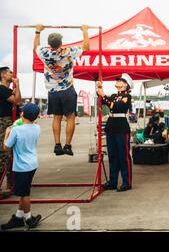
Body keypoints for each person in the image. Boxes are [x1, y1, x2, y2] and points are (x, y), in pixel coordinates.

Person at [34, 24, 90, 156]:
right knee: (70, 117)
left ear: (49, 44)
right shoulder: (67, 51)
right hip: (67, 89)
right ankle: (68, 145)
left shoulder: (44, 52)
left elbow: (35, 46)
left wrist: (37, 31)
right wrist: (85, 31)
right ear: (61, 43)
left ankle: (57, 145)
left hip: (53, 91)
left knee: (57, 117)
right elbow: (87, 47)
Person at [1, 103, 42, 230]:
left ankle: (29, 218)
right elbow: (25, 124)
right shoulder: (37, 127)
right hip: (32, 164)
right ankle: (18, 217)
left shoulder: (15, 130)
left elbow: (6, 148)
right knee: (23, 191)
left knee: (24, 194)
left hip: (21, 166)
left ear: (22, 114)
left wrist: (7, 132)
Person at [97, 74, 133, 192]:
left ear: (126, 84)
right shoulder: (113, 95)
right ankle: (112, 181)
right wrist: (99, 89)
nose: (118, 81)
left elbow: (116, 106)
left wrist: (103, 96)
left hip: (121, 127)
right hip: (111, 126)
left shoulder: (127, 96)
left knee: (123, 156)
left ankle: (126, 182)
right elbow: (102, 101)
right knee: (112, 156)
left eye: (121, 80)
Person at [0, 66, 21, 198]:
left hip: (10, 121)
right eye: (9, 72)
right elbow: (17, 101)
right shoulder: (2, 89)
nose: (12, 74)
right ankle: (5, 184)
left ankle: (10, 184)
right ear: (2, 74)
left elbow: (18, 99)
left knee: (12, 152)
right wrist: (17, 86)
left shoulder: (8, 90)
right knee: (4, 152)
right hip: (4, 122)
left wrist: (16, 88)